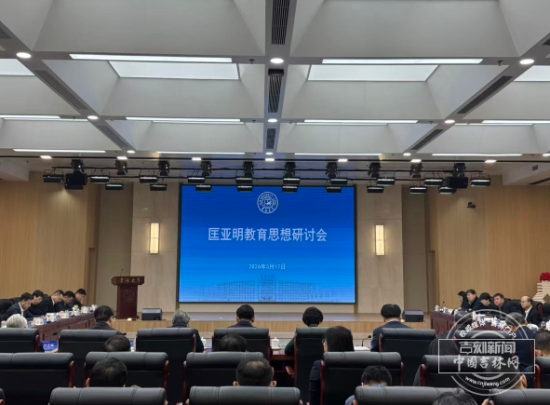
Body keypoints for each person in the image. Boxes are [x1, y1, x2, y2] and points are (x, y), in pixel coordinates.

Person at [309, 326, 354, 405]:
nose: (323, 343)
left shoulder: (319, 365)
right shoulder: (359, 364)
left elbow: (313, 399)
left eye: (324, 341)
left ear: (330, 344)